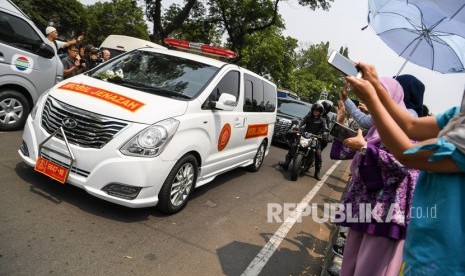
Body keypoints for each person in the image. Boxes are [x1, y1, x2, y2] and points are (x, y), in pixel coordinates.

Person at [345, 62, 465, 275]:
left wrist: (373, 100)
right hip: (421, 243)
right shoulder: (458, 115)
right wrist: (376, 87)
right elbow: (411, 126)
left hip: (444, 258)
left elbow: (407, 154)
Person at [332, 77, 419, 276]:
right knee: (350, 265)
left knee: (368, 269)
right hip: (363, 204)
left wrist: (364, 148)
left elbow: (403, 165)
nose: (375, 102)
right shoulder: (378, 126)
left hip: (385, 212)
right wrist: (341, 123)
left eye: (380, 96)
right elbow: (346, 152)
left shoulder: (407, 129)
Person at [279, 102, 328, 180]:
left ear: (320, 112)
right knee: (294, 146)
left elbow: (325, 128)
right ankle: (286, 163)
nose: (316, 112)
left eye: (318, 111)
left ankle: (317, 172)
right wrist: (297, 126)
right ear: (312, 110)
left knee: (318, 154)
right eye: (315, 110)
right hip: (305, 135)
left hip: (315, 138)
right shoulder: (308, 117)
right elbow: (302, 122)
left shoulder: (322, 120)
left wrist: (325, 133)